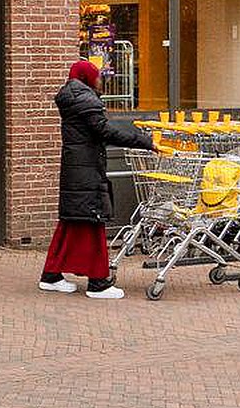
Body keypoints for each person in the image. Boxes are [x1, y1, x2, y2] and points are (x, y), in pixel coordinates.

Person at [42, 56, 158, 297]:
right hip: (86, 170)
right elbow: (105, 131)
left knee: (72, 222)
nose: (100, 81)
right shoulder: (86, 100)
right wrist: (145, 142)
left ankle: (51, 276)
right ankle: (98, 283)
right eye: (96, 76)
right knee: (92, 222)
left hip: (76, 168)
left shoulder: (72, 98)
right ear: (87, 78)